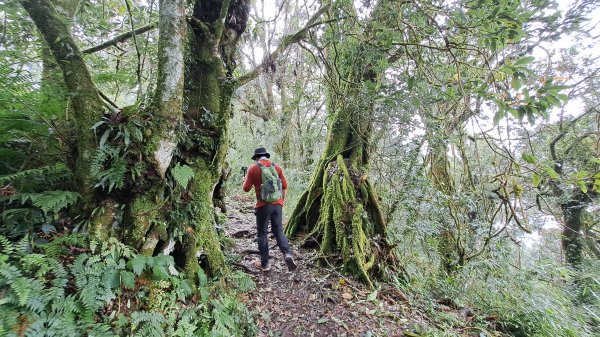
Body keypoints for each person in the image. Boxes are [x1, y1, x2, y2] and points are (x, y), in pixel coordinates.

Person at [243, 147, 297, 272]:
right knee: (278, 230)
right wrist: (281, 201)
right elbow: (285, 186)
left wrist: (244, 179)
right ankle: (287, 254)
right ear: (266, 156)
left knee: (262, 233)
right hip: (277, 204)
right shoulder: (276, 167)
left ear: (256, 157)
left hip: (263, 206)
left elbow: (246, 188)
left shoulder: (253, 168)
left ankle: (265, 264)